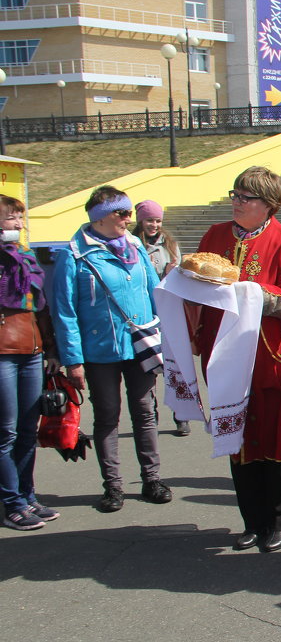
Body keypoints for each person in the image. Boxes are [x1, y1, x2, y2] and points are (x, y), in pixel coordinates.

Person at [193, 166, 281, 553]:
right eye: (235, 194)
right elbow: (198, 281)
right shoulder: (215, 235)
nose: (236, 202)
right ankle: (252, 521)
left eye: (246, 197)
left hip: (269, 357)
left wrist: (247, 290)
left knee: (274, 441)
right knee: (238, 441)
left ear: (269, 205)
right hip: (225, 355)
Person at [50, 186, 171, 513]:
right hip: (100, 351)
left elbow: (153, 291)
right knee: (107, 416)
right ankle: (113, 487)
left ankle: (152, 478)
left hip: (140, 345)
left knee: (146, 412)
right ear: (100, 216)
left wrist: (165, 333)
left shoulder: (134, 246)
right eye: (123, 213)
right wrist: (73, 360)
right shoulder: (74, 255)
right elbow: (64, 312)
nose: (130, 219)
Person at [0, 195, 60, 530]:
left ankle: (26, 495)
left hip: (31, 347)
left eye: (20, 219)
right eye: (11, 219)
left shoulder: (25, 256)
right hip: (3, 351)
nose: (18, 226)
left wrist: (51, 348)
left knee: (27, 429)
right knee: (5, 431)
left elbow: (41, 305)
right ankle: (11, 503)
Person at [131, 198, 189, 436]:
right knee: (148, 367)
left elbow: (181, 274)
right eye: (149, 220)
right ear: (140, 221)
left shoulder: (170, 245)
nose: (153, 225)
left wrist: (172, 274)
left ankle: (181, 415)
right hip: (146, 313)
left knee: (175, 366)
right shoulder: (133, 244)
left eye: (157, 220)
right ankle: (149, 414)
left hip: (169, 310)